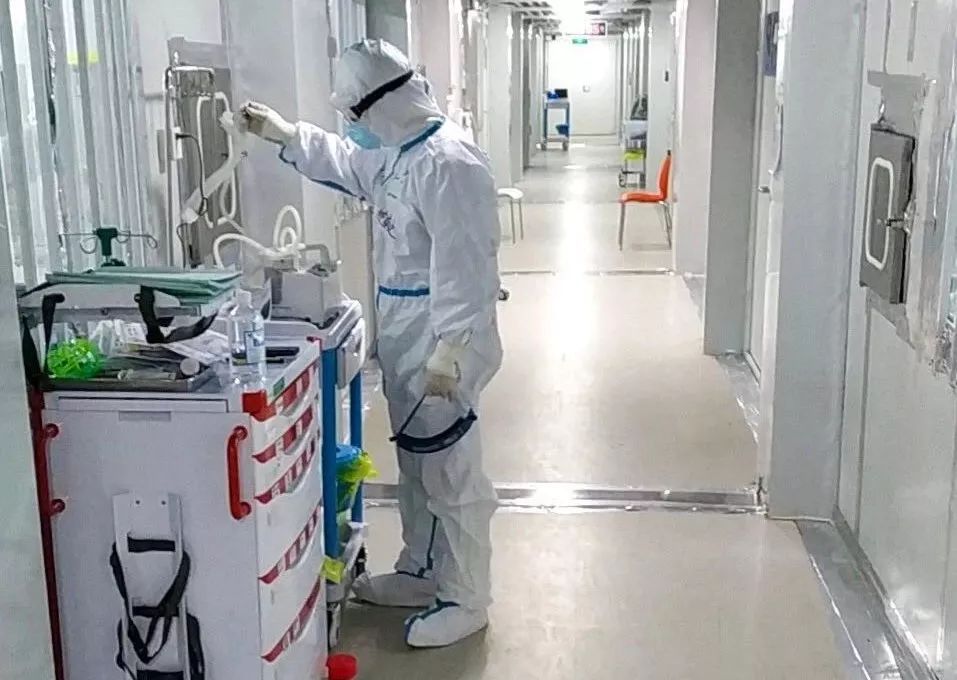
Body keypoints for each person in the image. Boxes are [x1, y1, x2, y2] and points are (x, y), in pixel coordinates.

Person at [240, 39, 502, 649]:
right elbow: (346, 163)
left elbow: (468, 264)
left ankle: (468, 597)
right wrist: (286, 134)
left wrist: (451, 347)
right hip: (408, 332)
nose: (353, 126)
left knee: (451, 472)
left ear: (383, 102)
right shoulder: (396, 154)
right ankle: (420, 570)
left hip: (441, 338)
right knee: (417, 466)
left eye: (355, 113)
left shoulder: (449, 163)